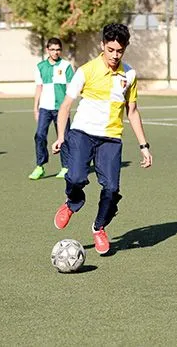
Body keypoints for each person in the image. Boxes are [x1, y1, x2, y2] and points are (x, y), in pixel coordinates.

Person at [50, 23, 153, 255]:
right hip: (82, 134)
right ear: (102, 46)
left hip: (111, 139)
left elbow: (133, 111)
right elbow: (65, 106)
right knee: (75, 177)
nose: (115, 55)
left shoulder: (129, 75)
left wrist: (144, 146)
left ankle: (99, 227)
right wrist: (59, 137)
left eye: (120, 51)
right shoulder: (86, 71)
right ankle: (72, 203)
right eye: (111, 50)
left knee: (112, 189)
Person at [28, 38, 75, 180]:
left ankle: (66, 167)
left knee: (64, 137)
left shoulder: (66, 66)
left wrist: (68, 107)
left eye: (58, 49)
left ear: (61, 50)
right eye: (52, 49)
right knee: (39, 135)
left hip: (61, 109)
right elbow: (39, 87)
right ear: (47, 50)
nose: (55, 52)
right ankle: (40, 166)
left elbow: (71, 88)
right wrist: (35, 108)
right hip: (45, 108)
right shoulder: (40, 66)